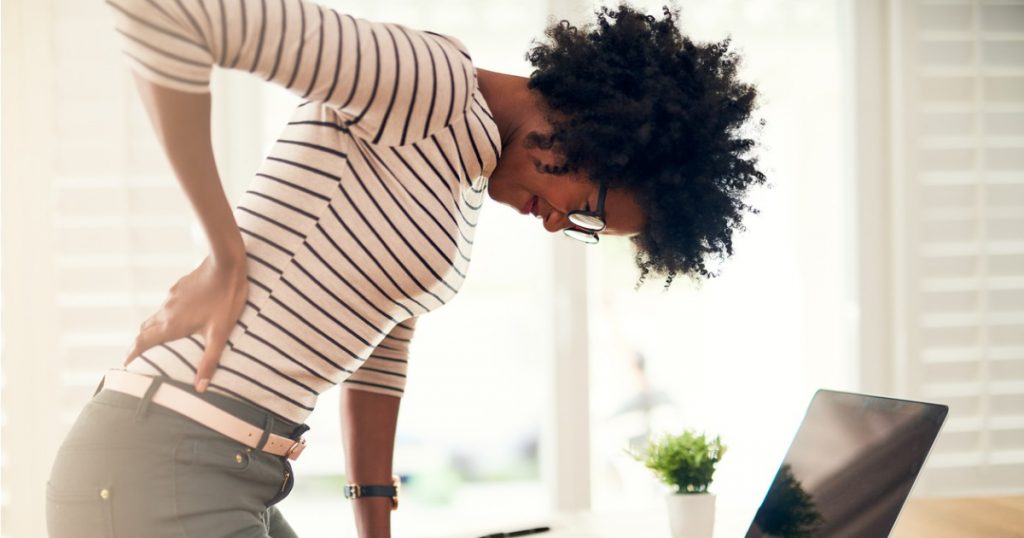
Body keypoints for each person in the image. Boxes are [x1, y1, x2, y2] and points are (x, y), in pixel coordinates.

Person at [45, 0, 765, 536]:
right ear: (596, 131)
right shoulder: (429, 83)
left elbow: (380, 352)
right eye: (591, 212)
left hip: (242, 472)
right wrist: (223, 252)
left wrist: (375, 518)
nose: (560, 224)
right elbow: (175, 15)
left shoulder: (467, 179)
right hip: (160, 458)